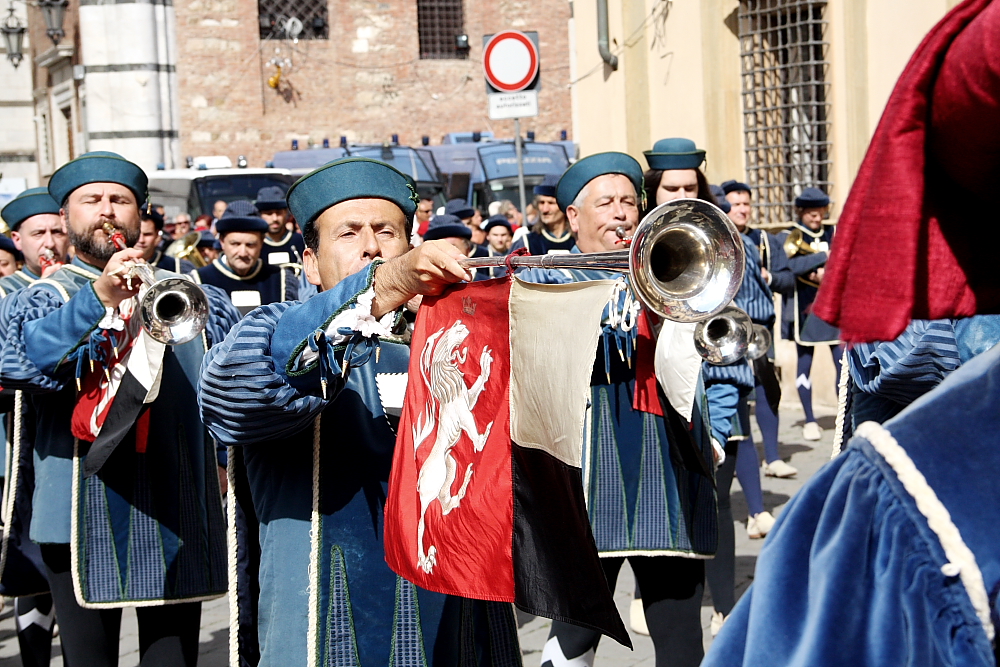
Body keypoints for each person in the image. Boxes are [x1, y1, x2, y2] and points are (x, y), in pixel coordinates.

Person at [199, 157, 522, 667]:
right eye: (348, 233)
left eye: (386, 232)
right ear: (309, 261)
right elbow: (229, 398)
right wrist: (376, 292)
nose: (371, 246)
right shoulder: (275, 328)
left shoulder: (449, 340)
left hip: (456, 618)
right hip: (320, 631)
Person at [0, 151, 239, 667]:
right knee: (90, 660)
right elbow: (25, 363)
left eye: (121, 200)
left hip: (175, 503)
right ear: (66, 217)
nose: (107, 210)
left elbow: (222, 384)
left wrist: (221, 464)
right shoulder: (41, 296)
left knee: (171, 660)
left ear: (140, 215)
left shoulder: (194, 292)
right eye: (92, 200)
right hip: (74, 510)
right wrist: (98, 297)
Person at [517, 153, 717, 667]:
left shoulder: (674, 272)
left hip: (669, 464)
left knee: (678, 629)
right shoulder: (547, 281)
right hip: (587, 472)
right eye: (605, 202)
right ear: (573, 217)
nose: (622, 213)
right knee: (574, 630)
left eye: (629, 200)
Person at [0, 186, 72, 667]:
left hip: (66, 449)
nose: (49, 240)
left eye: (57, 231)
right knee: (27, 564)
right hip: (11, 450)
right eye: (38, 232)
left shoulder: (82, 285)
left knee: (61, 568)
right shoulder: (7, 294)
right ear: (17, 241)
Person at [720, 180, 797, 479]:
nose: (741, 210)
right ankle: (739, 457)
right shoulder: (718, 238)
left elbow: (788, 280)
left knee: (767, 389)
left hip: (761, 327)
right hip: (729, 328)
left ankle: (773, 457)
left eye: (745, 204)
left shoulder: (765, 239)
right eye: (734, 204)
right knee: (737, 395)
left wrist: (769, 276)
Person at [774, 187, 841, 441]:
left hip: (833, 310)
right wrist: (823, 257)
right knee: (804, 365)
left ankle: (842, 414)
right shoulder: (790, 235)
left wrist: (826, 273)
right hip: (804, 312)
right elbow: (790, 266)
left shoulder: (832, 233)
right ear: (801, 212)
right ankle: (810, 419)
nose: (816, 218)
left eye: (820, 212)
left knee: (841, 364)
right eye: (811, 213)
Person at [192, 201, 298, 315]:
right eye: (235, 244)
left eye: (250, 245)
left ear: (262, 243)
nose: (242, 253)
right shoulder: (198, 281)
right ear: (222, 242)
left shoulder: (281, 281)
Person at [511, 175, 575, 255]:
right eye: (541, 203)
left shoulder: (580, 240)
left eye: (551, 203)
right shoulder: (527, 242)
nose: (545, 209)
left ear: (564, 207)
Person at [135, 208, 197, 274]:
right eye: (137, 234)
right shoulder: (123, 263)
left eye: (147, 234)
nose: (141, 240)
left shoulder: (177, 266)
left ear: (157, 235)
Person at [255, 186, 305, 267]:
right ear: (260, 215)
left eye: (279, 213)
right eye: (269, 213)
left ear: (286, 213)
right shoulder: (255, 245)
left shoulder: (300, 241)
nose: (275, 218)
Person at [474, 214, 514, 280]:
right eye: (495, 235)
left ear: (508, 235)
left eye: (503, 235)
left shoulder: (513, 255)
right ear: (487, 235)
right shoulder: (480, 256)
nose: (499, 239)